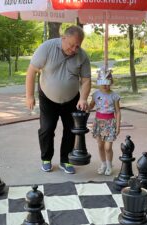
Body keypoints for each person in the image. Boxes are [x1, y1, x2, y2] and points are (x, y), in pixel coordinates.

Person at [25, 25, 91, 174]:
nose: (74, 49)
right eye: (71, 45)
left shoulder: (82, 56)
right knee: (47, 129)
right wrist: (29, 96)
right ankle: (46, 158)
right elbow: (31, 72)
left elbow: (86, 80)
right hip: (48, 97)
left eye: (77, 46)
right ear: (63, 38)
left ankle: (66, 160)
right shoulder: (46, 48)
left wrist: (83, 98)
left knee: (71, 130)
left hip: (72, 99)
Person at [89, 68, 121, 176]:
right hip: (98, 122)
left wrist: (118, 126)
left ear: (111, 83)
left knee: (108, 147)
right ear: (99, 83)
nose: (105, 86)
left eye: (108, 84)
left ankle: (109, 164)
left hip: (110, 123)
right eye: (103, 84)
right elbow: (90, 106)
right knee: (100, 146)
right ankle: (103, 164)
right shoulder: (95, 94)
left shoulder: (114, 96)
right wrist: (84, 105)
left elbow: (118, 111)